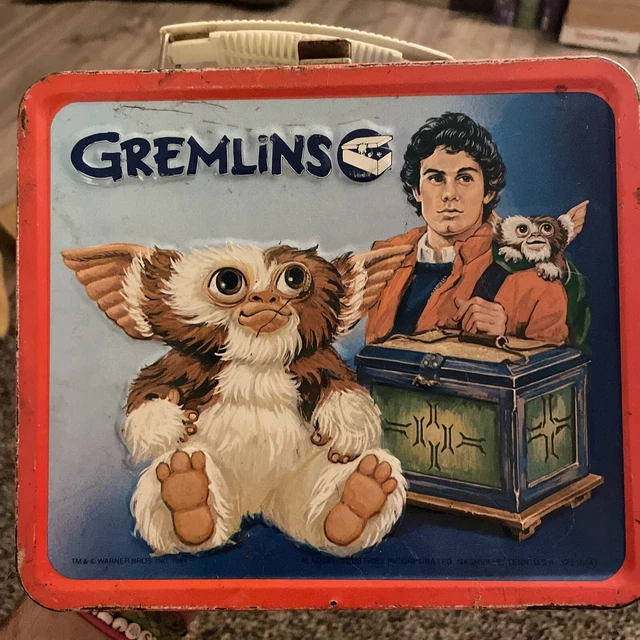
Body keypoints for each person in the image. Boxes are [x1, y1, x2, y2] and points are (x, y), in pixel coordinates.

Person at [365, 112, 569, 346]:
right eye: (436, 178)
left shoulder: (536, 283)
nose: (449, 193)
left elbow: (556, 365)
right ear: (417, 190)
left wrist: (505, 338)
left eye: (464, 178)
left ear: (488, 192)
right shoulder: (383, 262)